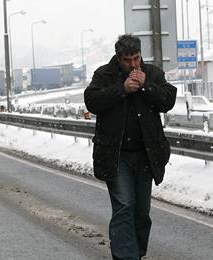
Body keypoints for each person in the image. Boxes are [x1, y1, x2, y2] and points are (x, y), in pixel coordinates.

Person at [84, 34, 176, 260]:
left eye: (136, 58)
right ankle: (126, 257)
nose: (134, 64)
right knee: (124, 206)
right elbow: (92, 101)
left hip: (146, 155)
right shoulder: (104, 74)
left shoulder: (152, 73)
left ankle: (136, 253)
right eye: (128, 60)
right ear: (119, 58)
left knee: (141, 213)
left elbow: (168, 100)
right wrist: (122, 89)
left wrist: (146, 87)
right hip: (116, 156)